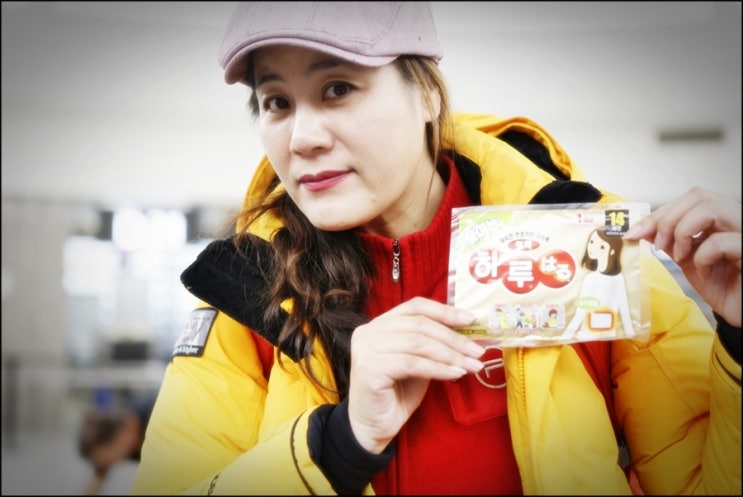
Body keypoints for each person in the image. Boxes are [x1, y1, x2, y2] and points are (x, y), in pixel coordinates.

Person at [131, 2, 741, 495]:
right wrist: (340, 443)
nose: (303, 137)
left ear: (426, 94)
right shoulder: (247, 299)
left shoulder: (589, 252)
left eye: (338, 88)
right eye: (276, 103)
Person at [560, 227, 636, 340]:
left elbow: (623, 309)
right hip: (592, 336)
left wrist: (631, 334)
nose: (593, 247)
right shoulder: (591, 278)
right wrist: (565, 337)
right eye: (592, 242)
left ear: (612, 251)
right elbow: (581, 312)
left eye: (602, 247)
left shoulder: (616, 278)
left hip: (600, 336)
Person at [78, 391, 155, 495]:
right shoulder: (127, 444)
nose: (111, 464)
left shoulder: (154, 415)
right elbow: (98, 477)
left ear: (120, 435)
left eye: (108, 459)